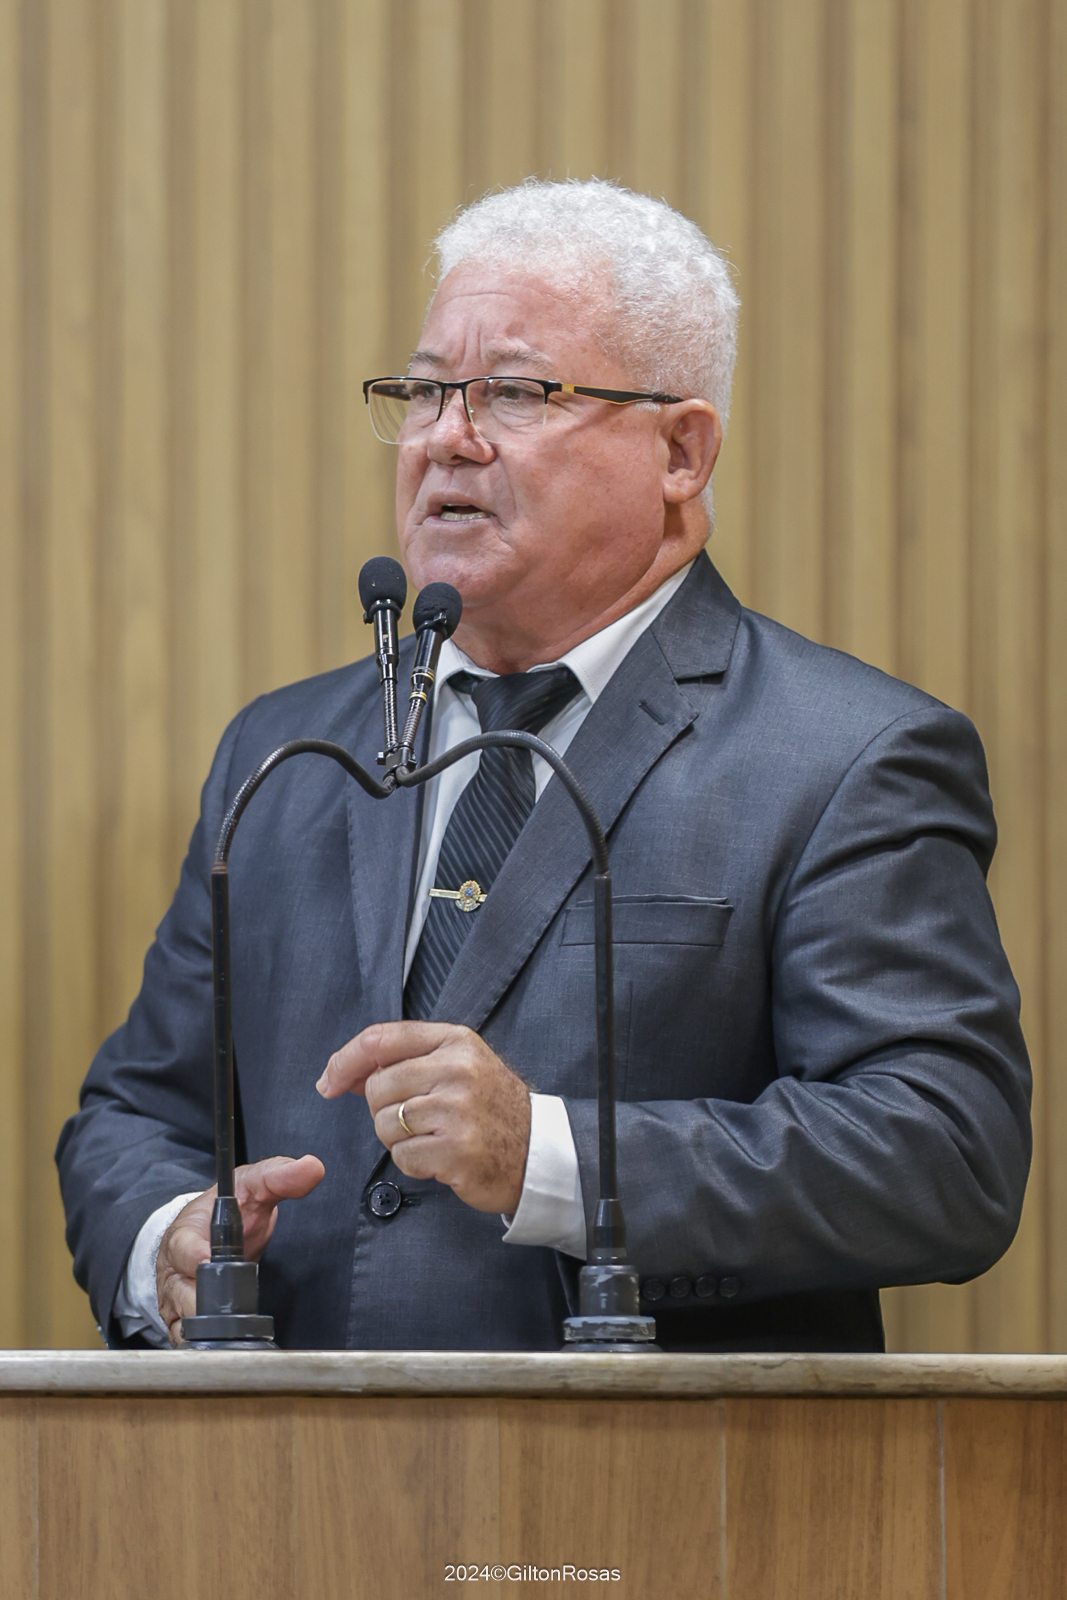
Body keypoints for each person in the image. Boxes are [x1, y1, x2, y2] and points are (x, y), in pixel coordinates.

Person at [57, 179, 1030, 1353]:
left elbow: (941, 1154)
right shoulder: (284, 755)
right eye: (424, 391)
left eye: (513, 393)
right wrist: (168, 1236)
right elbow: (136, 1112)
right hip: (294, 1461)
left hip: (653, 1467)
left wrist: (553, 1157)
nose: (445, 437)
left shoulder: (843, 756)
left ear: (680, 451)